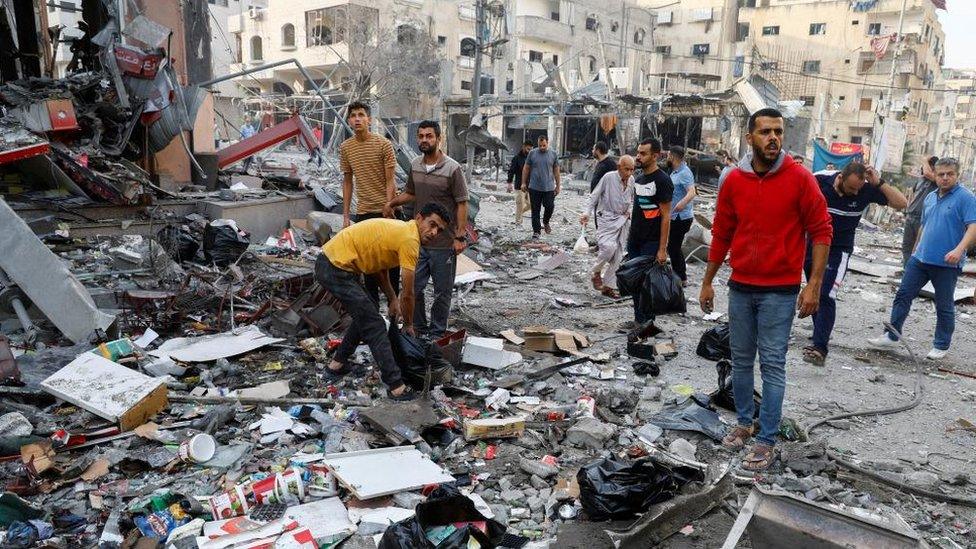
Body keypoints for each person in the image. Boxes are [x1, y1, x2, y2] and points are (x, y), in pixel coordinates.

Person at [699, 107, 832, 472]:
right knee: (741, 361)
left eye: (778, 132)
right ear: (749, 138)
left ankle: (766, 438)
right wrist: (708, 279)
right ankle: (744, 422)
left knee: (772, 364)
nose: (773, 138)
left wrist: (814, 284)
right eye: (765, 132)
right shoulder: (733, 181)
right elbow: (722, 232)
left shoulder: (800, 179)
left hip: (781, 290)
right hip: (740, 286)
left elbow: (821, 230)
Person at [315, 203, 450, 400]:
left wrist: (392, 298)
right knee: (375, 323)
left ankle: (337, 365)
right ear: (419, 218)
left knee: (366, 314)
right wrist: (410, 324)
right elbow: (409, 292)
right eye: (432, 224)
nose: (434, 232)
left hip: (337, 265)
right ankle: (396, 387)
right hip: (335, 267)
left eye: (439, 230)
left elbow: (379, 268)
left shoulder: (402, 231)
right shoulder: (410, 240)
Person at [801, 163, 907, 366]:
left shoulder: (866, 189)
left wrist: (879, 183)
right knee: (814, 292)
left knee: (826, 294)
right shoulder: (819, 181)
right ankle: (819, 336)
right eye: (851, 189)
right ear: (840, 177)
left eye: (858, 189)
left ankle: (820, 348)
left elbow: (901, 203)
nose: (855, 193)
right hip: (813, 245)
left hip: (839, 250)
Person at [869, 158, 976, 360]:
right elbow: (924, 225)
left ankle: (941, 345)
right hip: (920, 260)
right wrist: (916, 250)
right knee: (903, 295)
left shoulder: (966, 198)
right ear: (934, 175)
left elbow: (973, 227)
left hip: (947, 263)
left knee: (944, 305)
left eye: (949, 174)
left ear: (957, 175)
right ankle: (892, 335)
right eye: (941, 174)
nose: (945, 178)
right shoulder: (930, 197)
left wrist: (959, 250)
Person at [384, 121, 468, 338]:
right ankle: (419, 328)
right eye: (420, 136)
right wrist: (392, 203)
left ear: (438, 139)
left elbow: (462, 203)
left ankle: (437, 332)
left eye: (429, 136)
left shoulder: (452, 168)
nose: (424, 140)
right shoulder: (415, 165)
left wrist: (459, 236)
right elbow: (411, 193)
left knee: (442, 292)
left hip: (443, 243)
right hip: (418, 241)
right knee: (414, 288)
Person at [339, 100, 399, 305]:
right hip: (364, 212)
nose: (357, 119)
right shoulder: (346, 148)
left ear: (369, 119)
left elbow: (391, 179)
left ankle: (395, 309)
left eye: (361, 115)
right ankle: (374, 313)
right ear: (349, 120)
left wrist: (389, 205)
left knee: (391, 264)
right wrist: (346, 216)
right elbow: (348, 181)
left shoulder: (383, 144)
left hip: (387, 211)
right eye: (353, 115)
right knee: (369, 266)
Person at [628, 138, 673, 326]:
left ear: (655, 156)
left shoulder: (663, 181)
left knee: (648, 285)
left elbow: (666, 217)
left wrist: (662, 249)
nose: (638, 156)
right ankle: (639, 320)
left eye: (643, 153)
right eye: (638, 152)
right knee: (635, 282)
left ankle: (647, 323)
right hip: (635, 239)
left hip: (651, 242)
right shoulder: (638, 178)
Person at [580, 155, 636, 299]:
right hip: (606, 218)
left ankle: (608, 287)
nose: (629, 173)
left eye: (632, 170)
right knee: (608, 247)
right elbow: (594, 196)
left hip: (623, 220)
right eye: (626, 169)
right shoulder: (609, 177)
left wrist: (630, 211)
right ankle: (596, 271)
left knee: (617, 255)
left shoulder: (631, 180)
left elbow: (631, 199)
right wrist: (586, 212)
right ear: (619, 167)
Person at [667, 146, 697, 285]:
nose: (667, 157)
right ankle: (678, 274)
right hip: (674, 215)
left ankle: (681, 277)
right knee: (673, 246)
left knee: (674, 246)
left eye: (668, 155)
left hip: (681, 217)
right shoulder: (675, 172)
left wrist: (681, 204)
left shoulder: (685, 172)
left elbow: (692, 192)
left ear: (672, 156)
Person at [902, 156, 939, 266]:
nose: (923, 168)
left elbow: (928, 173)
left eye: (926, 166)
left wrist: (925, 160)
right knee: (906, 246)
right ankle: (907, 269)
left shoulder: (936, 180)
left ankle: (915, 270)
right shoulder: (920, 179)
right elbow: (914, 195)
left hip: (922, 219)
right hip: (911, 215)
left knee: (918, 247)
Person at [521, 135, 561, 238]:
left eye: (544, 145)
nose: (542, 147)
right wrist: (523, 183)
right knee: (535, 210)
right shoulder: (532, 153)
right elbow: (526, 168)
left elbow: (556, 171)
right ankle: (536, 231)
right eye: (540, 145)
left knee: (550, 206)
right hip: (534, 187)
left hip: (548, 187)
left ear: (547, 143)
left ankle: (546, 221)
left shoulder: (553, 154)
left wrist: (558, 186)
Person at [507, 140, 533, 224]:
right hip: (519, 185)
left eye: (531, 149)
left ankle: (519, 214)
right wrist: (509, 183)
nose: (529, 151)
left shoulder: (531, 158)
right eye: (528, 149)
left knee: (530, 204)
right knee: (520, 204)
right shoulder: (516, 158)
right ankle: (518, 222)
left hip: (529, 186)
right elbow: (511, 171)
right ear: (523, 147)